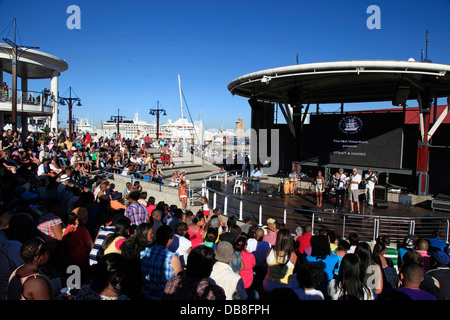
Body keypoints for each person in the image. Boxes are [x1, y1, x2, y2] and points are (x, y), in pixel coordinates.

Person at [140, 225, 182, 300]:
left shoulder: (144, 253)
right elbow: (180, 281)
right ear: (170, 238)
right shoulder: (172, 258)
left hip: (145, 296)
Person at [263, 228, 299, 294]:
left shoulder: (270, 251)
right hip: (288, 287)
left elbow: (266, 264)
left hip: (269, 285)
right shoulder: (293, 255)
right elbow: (294, 269)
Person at [62, 207, 93, 276]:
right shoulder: (83, 231)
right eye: (86, 217)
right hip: (81, 262)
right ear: (82, 218)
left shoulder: (69, 227)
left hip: (69, 260)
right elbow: (91, 247)